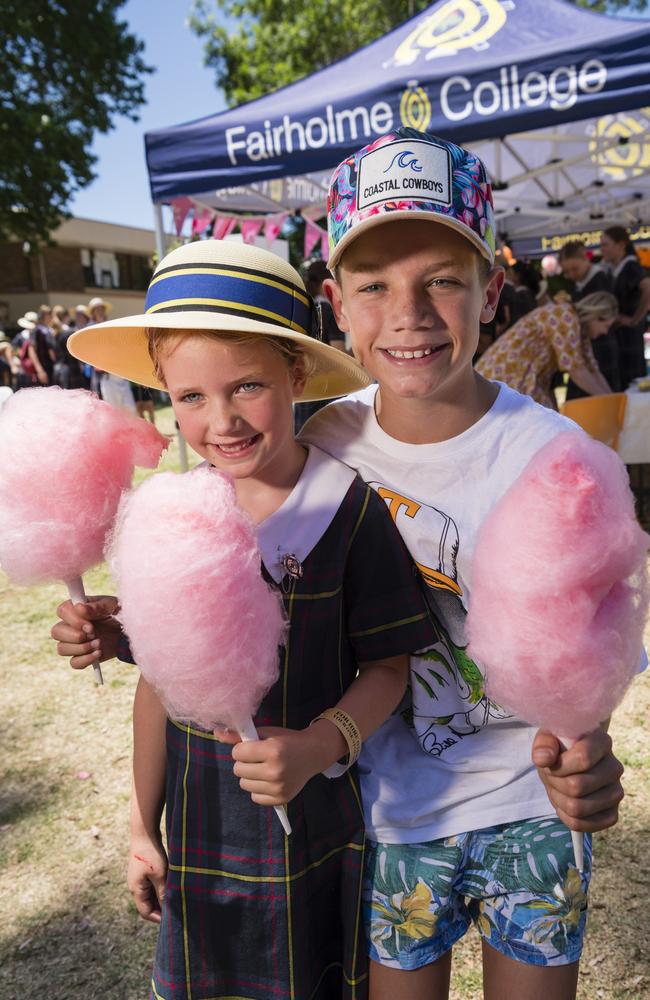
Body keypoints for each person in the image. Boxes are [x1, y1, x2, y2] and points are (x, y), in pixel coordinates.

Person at [50, 239, 438, 1000]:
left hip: (316, 822)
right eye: (190, 398)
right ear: (165, 393)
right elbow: (161, 689)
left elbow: (390, 668)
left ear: (298, 374)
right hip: (201, 831)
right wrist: (140, 827)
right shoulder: (173, 515)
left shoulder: (347, 508)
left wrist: (321, 743)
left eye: (248, 386)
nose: (221, 421)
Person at [300, 128, 627, 1000]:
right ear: (336, 300)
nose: (408, 313)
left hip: (533, 810)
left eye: (443, 279)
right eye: (374, 286)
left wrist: (590, 752)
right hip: (393, 812)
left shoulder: (557, 454)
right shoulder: (321, 445)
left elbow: (603, 632)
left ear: (492, 290)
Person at [476, 293, 617, 409]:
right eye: (606, 326)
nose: (605, 332)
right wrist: (612, 401)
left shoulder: (578, 328)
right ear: (596, 315)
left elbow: (592, 369)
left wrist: (614, 398)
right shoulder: (564, 315)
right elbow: (576, 371)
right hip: (508, 375)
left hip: (518, 377)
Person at [293, 258, 348, 432]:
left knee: (304, 437)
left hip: (304, 381)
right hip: (329, 384)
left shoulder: (302, 308)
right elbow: (338, 351)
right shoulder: (328, 310)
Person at [559, 241, 618, 397]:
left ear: (586, 259)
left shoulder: (600, 281)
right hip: (587, 354)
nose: (572, 275)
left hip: (601, 350)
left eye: (575, 269)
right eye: (567, 271)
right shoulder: (581, 284)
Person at [600, 226, 650, 388]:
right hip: (619, 339)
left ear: (621, 245)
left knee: (630, 383)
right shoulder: (612, 268)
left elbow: (648, 288)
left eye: (605, 245)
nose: (602, 250)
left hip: (629, 340)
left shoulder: (630, 267)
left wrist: (634, 320)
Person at [87, 296, 137, 410]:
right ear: (93, 312)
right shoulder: (89, 330)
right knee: (114, 409)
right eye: (97, 309)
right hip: (106, 375)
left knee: (130, 408)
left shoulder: (110, 325)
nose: (100, 311)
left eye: (101, 309)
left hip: (119, 372)